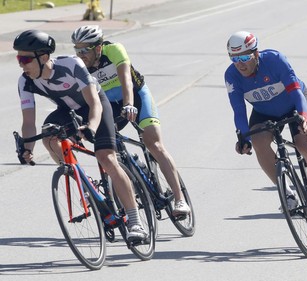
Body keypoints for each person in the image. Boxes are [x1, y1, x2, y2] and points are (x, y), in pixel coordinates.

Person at [13, 29, 148, 241]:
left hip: (95, 107)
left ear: (44, 57)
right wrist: (27, 149)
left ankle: (135, 222)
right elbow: (28, 122)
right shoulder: (25, 82)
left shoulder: (71, 64)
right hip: (68, 111)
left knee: (106, 157)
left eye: (25, 59)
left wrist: (91, 128)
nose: (21, 64)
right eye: (18, 58)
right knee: (48, 135)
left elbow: (94, 103)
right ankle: (83, 181)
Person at [70, 25, 190, 216]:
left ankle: (180, 200)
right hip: (109, 105)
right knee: (109, 150)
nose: (80, 54)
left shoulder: (114, 50)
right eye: (77, 49)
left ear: (98, 47)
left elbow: (126, 79)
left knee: (153, 142)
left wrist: (129, 104)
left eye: (85, 49)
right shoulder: (78, 65)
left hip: (135, 95)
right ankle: (132, 180)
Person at [224, 31, 307, 219]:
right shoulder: (232, 75)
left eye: (245, 57)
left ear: (256, 53)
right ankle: (287, 193)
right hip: (264, 112)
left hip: (294, 103)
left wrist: (303, 116)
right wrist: (243, 137)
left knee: (305, 145)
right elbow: (239, 111)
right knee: (258, 141)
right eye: (234, 59)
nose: (240, 64)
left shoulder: (274, 60)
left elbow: (296, 93)